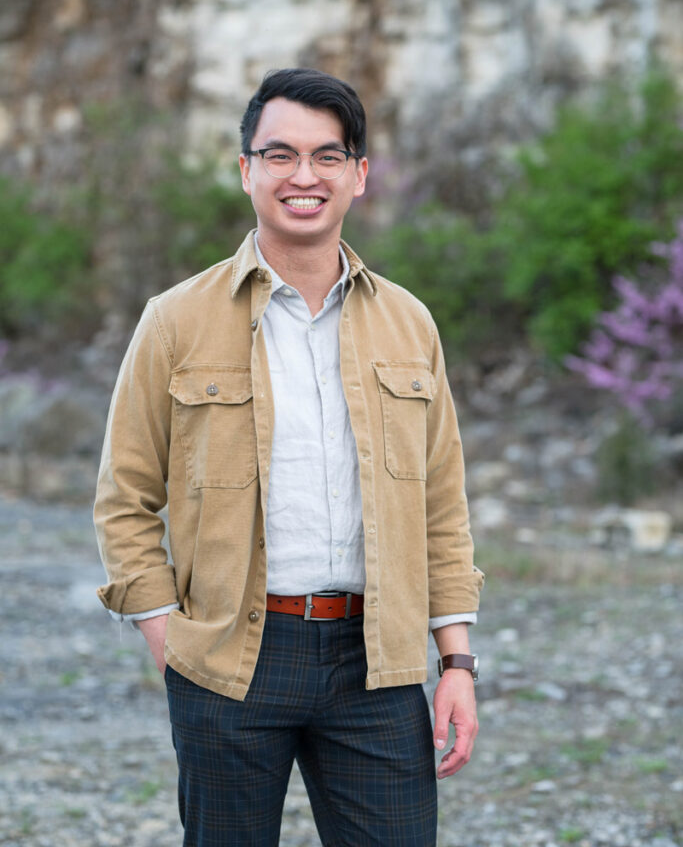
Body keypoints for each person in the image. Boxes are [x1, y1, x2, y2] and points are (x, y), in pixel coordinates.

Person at [94, 67, 484, 847]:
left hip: (376, 663)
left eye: (326, 156)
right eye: (278, 155)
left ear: (358, 175)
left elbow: (441, 504)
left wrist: (457, 663)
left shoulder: (409, 323)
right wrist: (168, 636)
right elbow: (125, 497)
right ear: (246, 171)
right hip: (230, 659)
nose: (303, 176)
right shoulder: (174, 320)